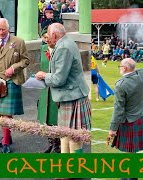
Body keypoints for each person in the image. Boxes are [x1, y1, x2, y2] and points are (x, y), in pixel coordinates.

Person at [36, 23, 91, 154]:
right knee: (66, 135)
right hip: (72, 95)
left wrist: (44, 75)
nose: (47, 38)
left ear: (55, 35)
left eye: (48, 35)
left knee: (73, 137)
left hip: (72, 96)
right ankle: (68, 168)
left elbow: (59, 79)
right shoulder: (66, 42)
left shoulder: (63, 48)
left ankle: (73, 170)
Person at [0, 18, 30, 153]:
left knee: (6, 113)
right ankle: (7, 136)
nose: (0, 32)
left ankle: (5, 142)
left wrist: (14, 68)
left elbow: (26, 60)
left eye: (3, 29)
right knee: (0, 114)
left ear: (8, 29)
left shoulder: (18, 42)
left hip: (11, 80)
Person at [37, 27, 60, 153]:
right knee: (45, 117)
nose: (46, 40)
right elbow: (42, 66)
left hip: (56, 86)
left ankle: (58, 145)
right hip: (45, 87)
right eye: (44, 37)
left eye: (48, 37)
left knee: (55, 117)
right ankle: (51, 142)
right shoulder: (42, 49)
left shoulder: (60, 50)